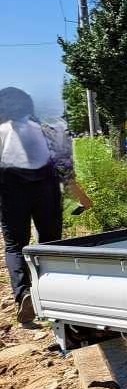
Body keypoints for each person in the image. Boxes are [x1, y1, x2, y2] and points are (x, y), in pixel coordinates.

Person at [0, 87, 92, 324]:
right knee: (50, 242)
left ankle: (24, 295)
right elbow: (65, 169)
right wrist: (80, 197)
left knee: (15, 246)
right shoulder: (51, 128)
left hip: (10, 192)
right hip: (46, 190)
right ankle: (50, 292)